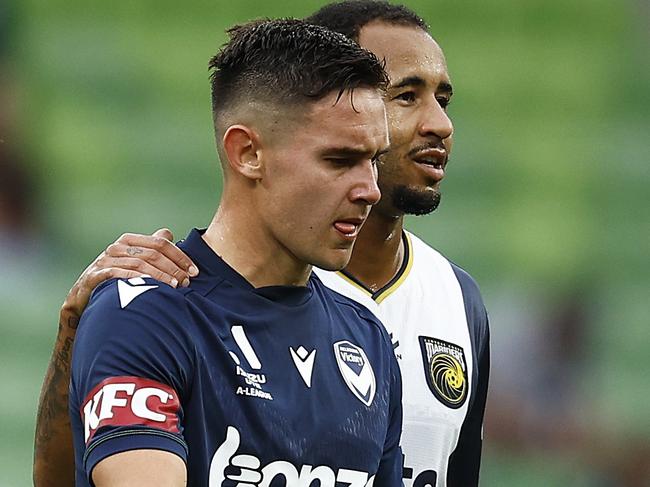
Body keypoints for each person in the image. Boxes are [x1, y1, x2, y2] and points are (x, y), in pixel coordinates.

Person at [34, 2, 490, 486]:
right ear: (248, 153)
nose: (369, 189)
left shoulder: (369, 340)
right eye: (339, 160)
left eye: (373, 161)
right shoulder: (147, 313)